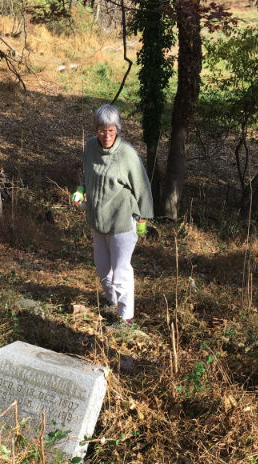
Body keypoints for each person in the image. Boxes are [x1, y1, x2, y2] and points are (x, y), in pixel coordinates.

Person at [72, 104, 154, 327]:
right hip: (98, 220)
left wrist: (143, 219)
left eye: (111, 130)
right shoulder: (90, 147)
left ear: (117, 129)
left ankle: (126, 318)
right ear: (95, 129)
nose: (106, 135)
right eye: (101, 130)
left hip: (122, 221)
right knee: (103, 270)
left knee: (120, 272)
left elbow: (142, 186)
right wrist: (81, 191)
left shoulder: (126, 153)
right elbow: (88, 176)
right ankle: (113, 303)